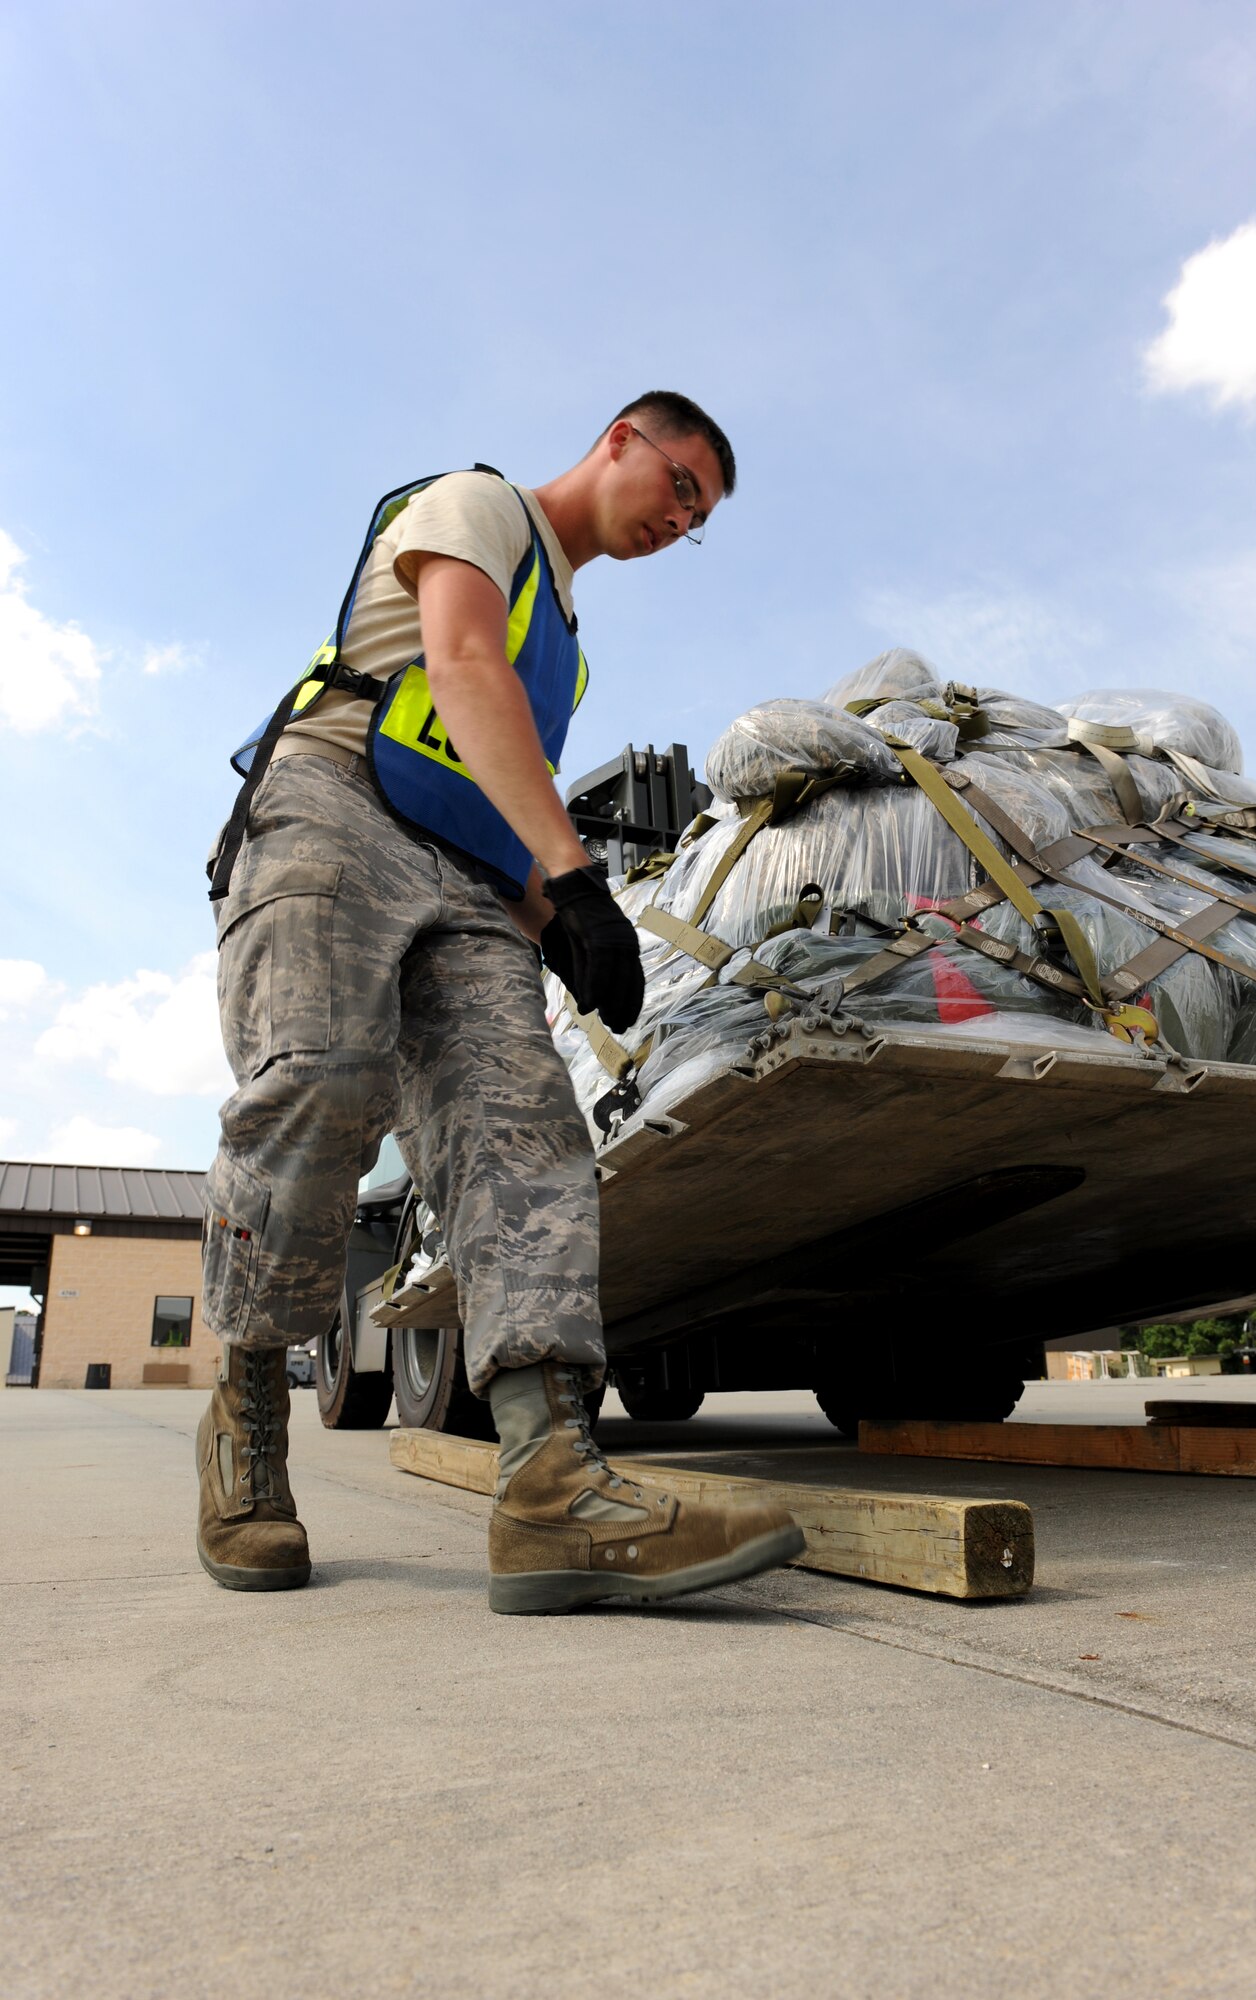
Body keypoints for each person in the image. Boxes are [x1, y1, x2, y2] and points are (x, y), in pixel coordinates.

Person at [196, 392, 805, 1613]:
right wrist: (576, 879)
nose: (676, 521)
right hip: (332, 808)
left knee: (524, 1132)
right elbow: (458, 666)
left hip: (472, 883)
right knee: (320, 1082)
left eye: (697, 519)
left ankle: (549, 1483)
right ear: (622, 440)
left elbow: (493, 790)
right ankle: (248, 1427)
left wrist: (561, 926)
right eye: (679, 485)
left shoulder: (569, 645)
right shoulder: (479, 508)